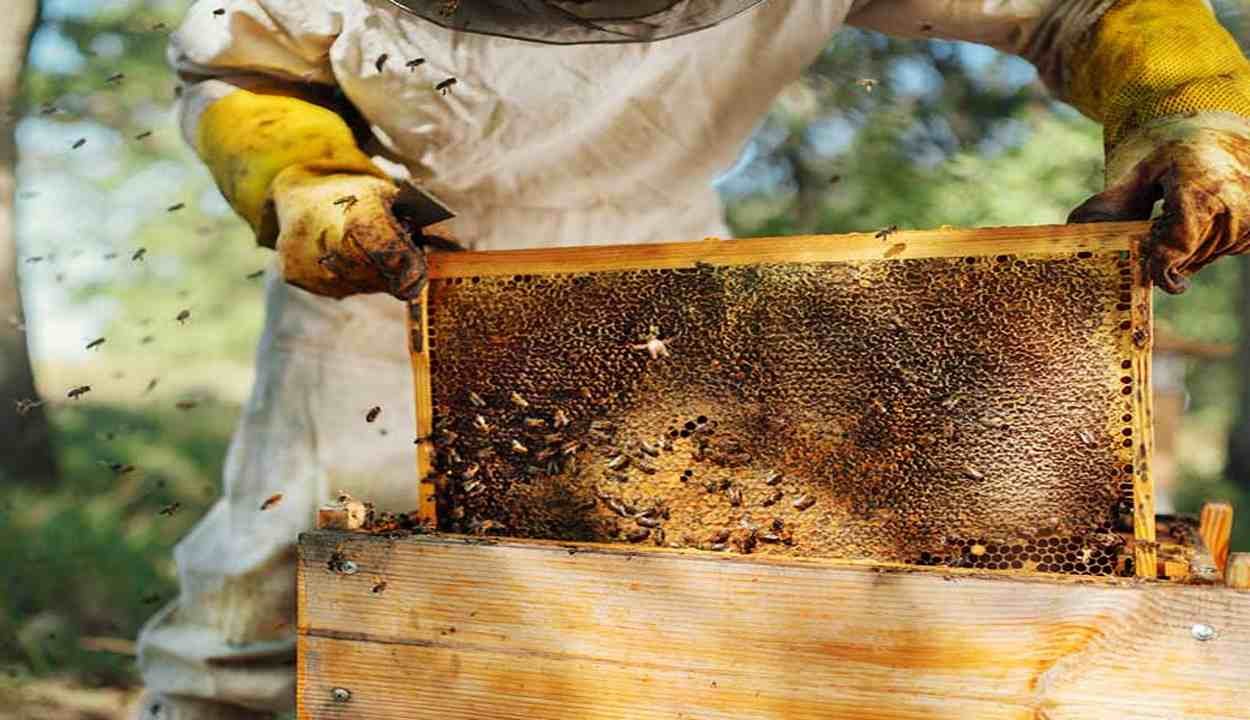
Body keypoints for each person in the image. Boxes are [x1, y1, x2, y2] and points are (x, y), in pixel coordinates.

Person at [135, 1, 1250, 717]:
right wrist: (305, 177)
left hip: (665, 274)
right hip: (396, 258)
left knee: (662, 602)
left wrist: (1190, 109)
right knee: (268, 600)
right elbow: (247, 69)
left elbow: (1084, 4)